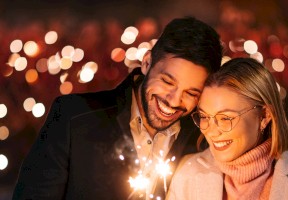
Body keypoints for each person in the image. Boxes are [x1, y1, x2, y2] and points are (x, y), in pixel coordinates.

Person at [13, 17, 223, 200]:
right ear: (147, 63)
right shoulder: (74, 117)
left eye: (191, 93)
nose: (174, 100)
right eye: (167, 82)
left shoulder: (202, 140)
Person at [167, 57, 288, 200]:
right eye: (204, 117)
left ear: (265, 116)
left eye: (225, 118)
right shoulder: (187, 175)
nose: (211, 131)